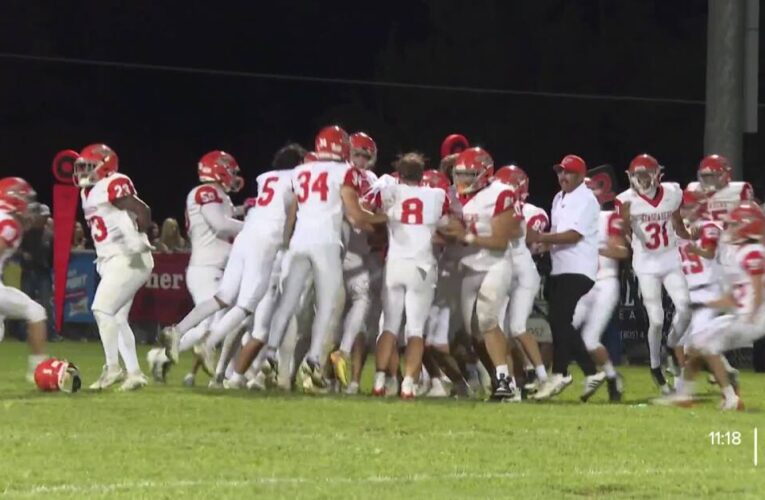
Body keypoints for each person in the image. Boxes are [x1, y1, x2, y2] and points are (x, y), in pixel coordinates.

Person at [257, 125, 387, 391]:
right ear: (344, 148)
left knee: (288, 304)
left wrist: (286, 243)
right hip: (326, 243)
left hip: (299, 243)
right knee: (328, 306)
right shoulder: (344, 171)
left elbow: (292, 213)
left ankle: (270, 354)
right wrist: (388, 218)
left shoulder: (301, 171)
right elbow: (355, 214)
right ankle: (314, 360)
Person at [147, 150, 244, 383]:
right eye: (230, 170)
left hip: (216, 267)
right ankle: (230, 374)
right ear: (219, 169)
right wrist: (255, 226)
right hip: (206, 268)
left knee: (216, 325)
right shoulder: (206, 191)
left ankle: (163, 356)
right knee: (214, 325)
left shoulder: (217, 194)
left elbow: (226, 218)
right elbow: (219, 224)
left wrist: (246, 209)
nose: (234, 175)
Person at [659, 201, 765, 410]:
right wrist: (705, 303)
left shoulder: (753, 252)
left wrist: (751, 312)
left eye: (735, 225)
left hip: (755, 316)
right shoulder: (739, 252)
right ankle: (684, 395)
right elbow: (733, 297)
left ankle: (730, 397)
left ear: (747, 226)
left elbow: (757, 288)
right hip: (743, 313)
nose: (730, 229)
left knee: (706, 344)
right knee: (698, 346)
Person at [441, 147, 522, 401]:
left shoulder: (501, 193)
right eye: (460, 174)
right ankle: (499, 380)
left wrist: (464, 235)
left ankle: (505, 381)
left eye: (469, 174)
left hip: (495, 263)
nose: (463, 180)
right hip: (469, 266)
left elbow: (499, 241)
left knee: (488, 319)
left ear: (484, 174)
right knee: (472, 332)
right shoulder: (453, 196)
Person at [369, 152, 451, 398]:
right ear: (423, 173)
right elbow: (446, 226)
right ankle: (408, 385)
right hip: (422, 265)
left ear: (399, 173)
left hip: (395, 263)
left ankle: (379, 382)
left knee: (390, 326)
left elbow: (374, 215)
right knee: (415, 329)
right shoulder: (436, 195)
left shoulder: (389, 192)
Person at [74, 143, 154, 391]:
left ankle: (112, 368)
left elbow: (143, 211)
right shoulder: (87, 192)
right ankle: (134, 374)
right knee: (117, 318)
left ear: (105, 166)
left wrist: (136, 236)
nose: (81, 172)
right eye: (81, 167)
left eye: (88, 167)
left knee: (101, 309)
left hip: (130, 257)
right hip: (112, 259)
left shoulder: (114, 182)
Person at [615, 154, 692, 395]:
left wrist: (692, 235)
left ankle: (671, 345)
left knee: (686, 308)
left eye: (647, 173)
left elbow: (679, 225)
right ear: (631, 176)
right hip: (646, 263)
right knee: (656, 319)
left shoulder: (672, 193)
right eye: (639, 174)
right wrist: (625, 224)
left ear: (657, 174)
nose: (643, 179)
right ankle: (655, 367)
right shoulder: (625, 200)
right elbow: (622, 230)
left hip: (670, 258)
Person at [529, 154, 601, 400]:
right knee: (560, 322)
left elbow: (573, 236)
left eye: (567, 172)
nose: (562, 176)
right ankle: (591, 372)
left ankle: (560, 373)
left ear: (581, 175)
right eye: (560, 171)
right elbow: (559, 233)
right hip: (561, 267)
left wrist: (540, 237)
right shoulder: (559, 198)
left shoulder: (587, 199)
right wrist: (544, 246)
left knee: (559, 318)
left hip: (580, 268)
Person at [570, 177, 630, 402]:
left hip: (605, 282)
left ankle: (613, 380)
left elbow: (622, 253)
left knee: (591, 340)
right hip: (583, 284)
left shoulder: (608, 218)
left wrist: (596, 248)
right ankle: (595, 374)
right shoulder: (573, 220)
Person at [0, 177, 49, 381]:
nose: (29, 207)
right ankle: (38, 370)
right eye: (26, 200)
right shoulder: (9, 223)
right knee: (36, 311)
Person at [19, 202, 56, 340]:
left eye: (46, 217)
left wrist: (47, 265)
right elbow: (17, 249)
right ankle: (22, 334)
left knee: (47, 304)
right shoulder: (25, 232)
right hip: (28, 271)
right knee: (24, 302)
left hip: (43, 272)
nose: (45, 219)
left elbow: (52, 256)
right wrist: (23, 254)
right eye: (43, 216)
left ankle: (50, 334)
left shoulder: (49, 235)